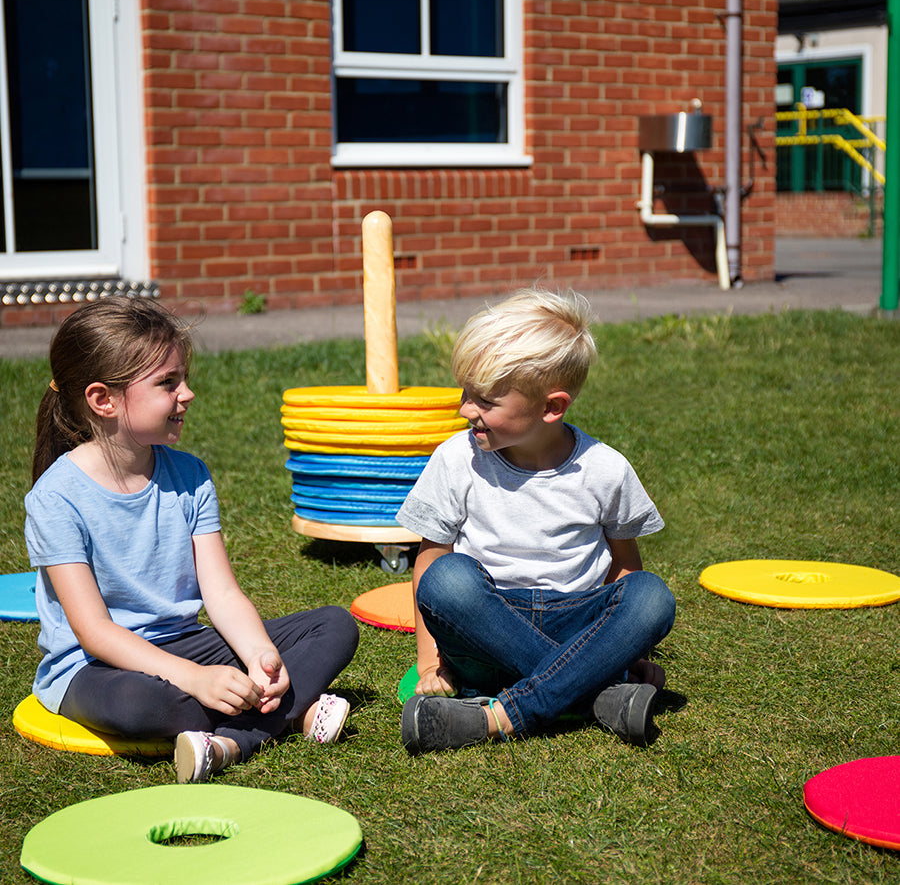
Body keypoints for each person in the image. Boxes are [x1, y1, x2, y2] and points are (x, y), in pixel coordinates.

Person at [25, 296, 359, 783]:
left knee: (334, 626)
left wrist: (258, 655)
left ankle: (231, 741)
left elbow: (221, 593)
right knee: (141, 705)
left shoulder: (191, 476)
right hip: (96, 669)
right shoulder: (55, 497)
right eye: (167, 383)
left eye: (183, 378)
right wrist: (196, 680)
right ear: (103, 400)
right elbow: (94, 631)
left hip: (185, 644)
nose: (188, 394)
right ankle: (291, 713)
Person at [395, 288, 676, 753]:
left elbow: (626, 567)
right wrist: (429, 662)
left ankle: (500, 716)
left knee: (652, 598)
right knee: (448, 580)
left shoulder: (605, 469)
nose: (465, 409)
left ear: (551, 407)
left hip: (574, 624)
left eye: (484, 401)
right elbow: (430, 565)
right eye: (467, 393)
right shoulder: (455, 458)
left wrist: (635, 646)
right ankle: (595, 694)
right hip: (483, 635)